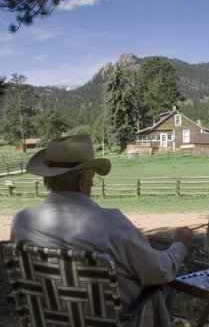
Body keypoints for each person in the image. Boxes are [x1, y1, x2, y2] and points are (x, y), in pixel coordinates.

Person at [10, 134, 193, 327]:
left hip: (50, 321)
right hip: (125, 320)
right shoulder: (112, 224)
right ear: (82, 181)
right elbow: (161, 271)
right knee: (164, 284)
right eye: (92, 179)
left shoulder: (22, 222)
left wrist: (141, 240)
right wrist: (180, 244)